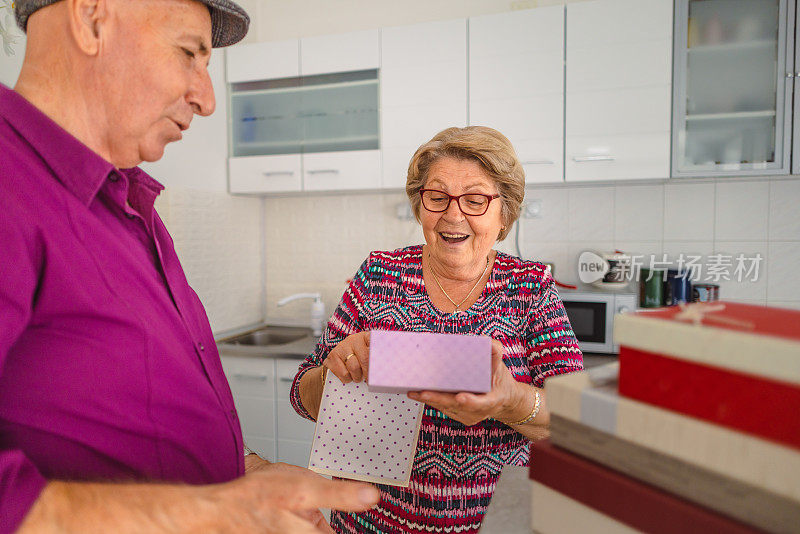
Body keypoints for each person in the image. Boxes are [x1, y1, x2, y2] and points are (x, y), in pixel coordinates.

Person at [0, 0, 380, 532]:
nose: (206, 100)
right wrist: (206, 513)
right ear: (90, 18)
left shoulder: (129, 203)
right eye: (188, 53)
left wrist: (243, 475)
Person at [290, 126, 584, 533]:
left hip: (496, 523)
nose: (453, 214)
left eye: (476, 200)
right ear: (419, 204)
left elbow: (576, 419)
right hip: (371, 522)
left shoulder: (530, 286)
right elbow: (302, 397)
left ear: (505, 213)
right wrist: (335, 371)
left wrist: (507, 400)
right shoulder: (379, 275)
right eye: (437, 196)